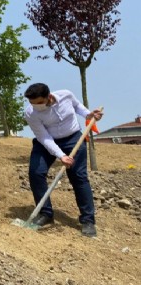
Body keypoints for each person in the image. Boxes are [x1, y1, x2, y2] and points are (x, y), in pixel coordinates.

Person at [23, 83, 103, 237]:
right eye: (32, 103)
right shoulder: (30, 113)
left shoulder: (66, 94)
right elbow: (44, 137)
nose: (36, 106)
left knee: (79, 177)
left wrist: (88, 114)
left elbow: (77, 106)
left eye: (39, 102)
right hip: (46, 142)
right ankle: (45, 214)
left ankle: (88, 220)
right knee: (36, 172)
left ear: (49, 96)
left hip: (73, 138)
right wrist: (61, 156)